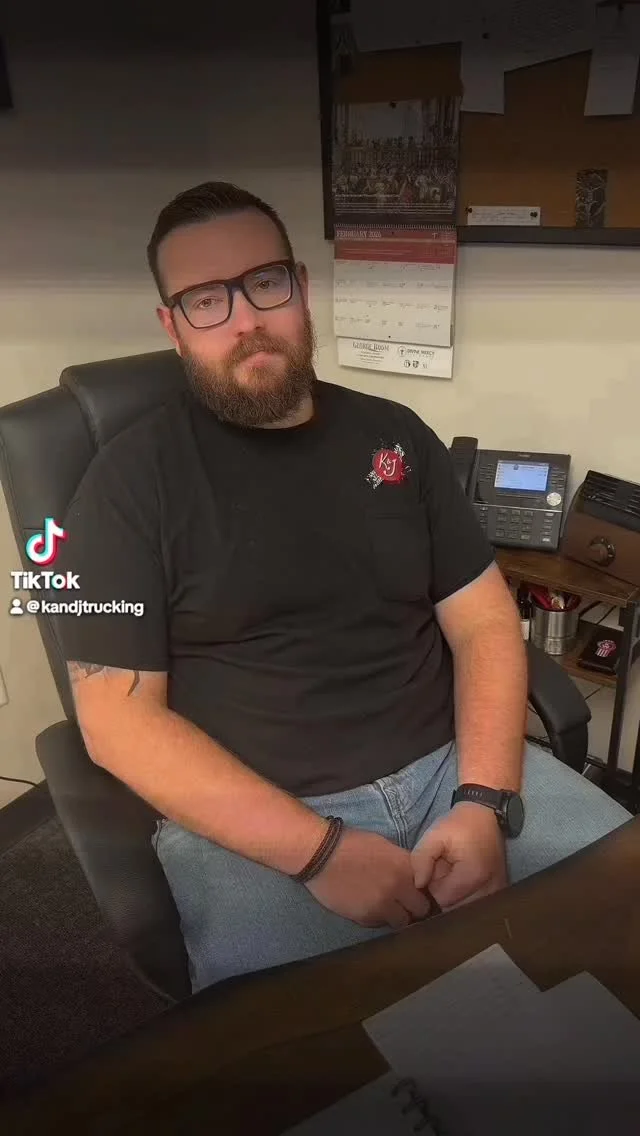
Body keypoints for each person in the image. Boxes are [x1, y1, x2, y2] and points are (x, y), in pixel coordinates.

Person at [54, 182, 631, 995]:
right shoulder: (122, 485)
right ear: (172, 327)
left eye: (264, 283)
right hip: (257, 819)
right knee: (311, 1050)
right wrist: (319, 852)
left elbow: (485, 626)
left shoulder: (396, 437)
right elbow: (117, 721)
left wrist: (484, 802)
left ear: (300, 286)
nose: (245, 320)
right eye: (205, 301)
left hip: (453, 768)